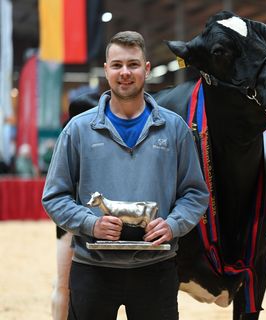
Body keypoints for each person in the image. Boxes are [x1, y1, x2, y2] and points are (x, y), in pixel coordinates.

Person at [42, 31, 209, 320]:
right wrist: (90, 223)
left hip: (156, 270)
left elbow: (195, 193)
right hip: (92, 269)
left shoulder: (175, 129)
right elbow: (54, 197)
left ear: (146, 69)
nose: (125, 73)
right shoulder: (77, 130)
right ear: (106, 70)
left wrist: (173, 224)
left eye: (132, 64)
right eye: (117, 65)